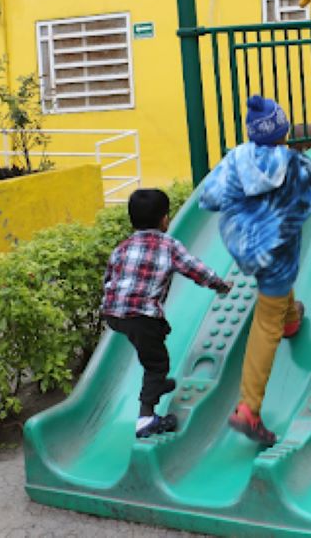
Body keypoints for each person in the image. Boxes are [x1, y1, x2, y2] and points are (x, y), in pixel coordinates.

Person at [200, 95, 311, 446]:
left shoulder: (236, 158)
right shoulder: (294, 163)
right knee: (267, 318)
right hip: (276, 246)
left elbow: (208, 198)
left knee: (277, 288)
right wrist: (295, 204)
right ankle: (249, 408)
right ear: (282, 129)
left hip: (245, 246)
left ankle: (291, 319)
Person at [100, 188, 232, 438]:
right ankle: (146, 418)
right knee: (156, 363)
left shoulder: (123, 247)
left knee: (151, 335)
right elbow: (195, 269)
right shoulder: (168, 245)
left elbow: (110, 276)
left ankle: (158, 378)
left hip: (113, 312)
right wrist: (221, 285)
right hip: (141, 314)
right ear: (164, 220)